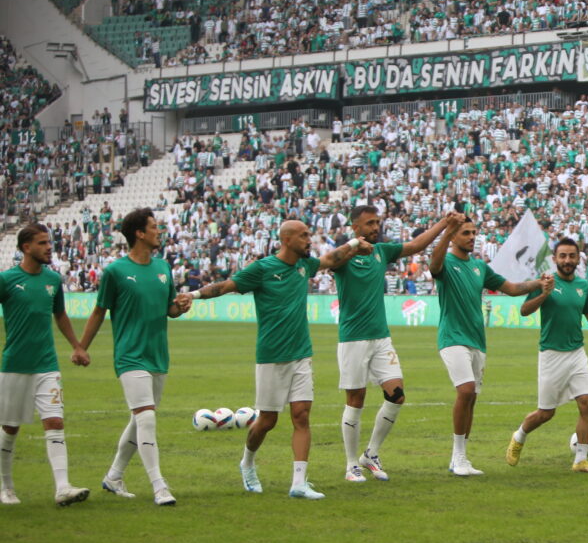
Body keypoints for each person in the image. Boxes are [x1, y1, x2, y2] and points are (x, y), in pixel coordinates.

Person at [191, 221, 370, 498]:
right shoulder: (262, 269)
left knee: (301, 415)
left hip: (301, 354)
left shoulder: (305, 266)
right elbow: (226, 286)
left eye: (309, 235)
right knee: (267, 421)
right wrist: (192, 295)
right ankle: (247, 463)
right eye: (303, 236)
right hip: (271, 356)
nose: (309, 239)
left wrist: (357, 243)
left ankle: (299, 482)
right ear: (286, 239)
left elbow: (332, 258)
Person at [80, 209, 192, 506]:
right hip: (130, 356)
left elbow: (169, 308)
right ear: (139, 234)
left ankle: (114, 476)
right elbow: (98, 311)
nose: (160, 231)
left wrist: (180, 307)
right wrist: (82, 347)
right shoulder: (115, 272)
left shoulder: (163, 268)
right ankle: (159, 486)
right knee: (147, 417)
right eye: (154, 227)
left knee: (140, 418)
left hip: (158, 354)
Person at [334, 208, 450, 483]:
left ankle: (370, 454)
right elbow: (328, 261)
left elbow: (417, 245)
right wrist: (351, 246)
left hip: (380, 337)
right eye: (369, 223)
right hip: (353, 339)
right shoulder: (344, 257)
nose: (375, 227)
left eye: (377, 222)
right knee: (355, 401)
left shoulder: (381, 251)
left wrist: (444, 222)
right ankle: (351, 464)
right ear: (355, 227)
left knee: (396, 395)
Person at [429, 213, 547, 476]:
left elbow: (513, 288)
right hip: (452, 337)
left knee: (471, 399)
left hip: (477, 341)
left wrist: (538, 283)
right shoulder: (446, 262)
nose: (472, 237)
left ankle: (461, 458)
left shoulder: (479, 267)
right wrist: (446, 231)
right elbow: (433, 265)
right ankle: (457, 457)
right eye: (466, 233)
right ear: (454, 236)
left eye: (474, 233)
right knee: (466, 391)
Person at [505, 237, 588, 473]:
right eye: (562, 256)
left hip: (577, 353)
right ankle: (519, 436)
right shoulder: (546, 282)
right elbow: (524, 311)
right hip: (551, 355)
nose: (567, 260)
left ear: (577, 258)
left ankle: (580, 459)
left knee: (587, 402)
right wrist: (543, 294)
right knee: (545, 413)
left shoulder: (582, 285)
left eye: (572, 256)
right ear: (555, 259)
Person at [0, 223, 91, 507]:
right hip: (15, 365)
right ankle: (6, 487)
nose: (49, 247)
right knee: (10, 428)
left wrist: (77, 346)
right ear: (26, 247)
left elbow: (60, 315)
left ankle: (62, 487)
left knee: (54, 422)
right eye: (42, 243)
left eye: (48, 242)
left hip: (47, 365)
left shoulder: (52, 279)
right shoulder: (7, 280)